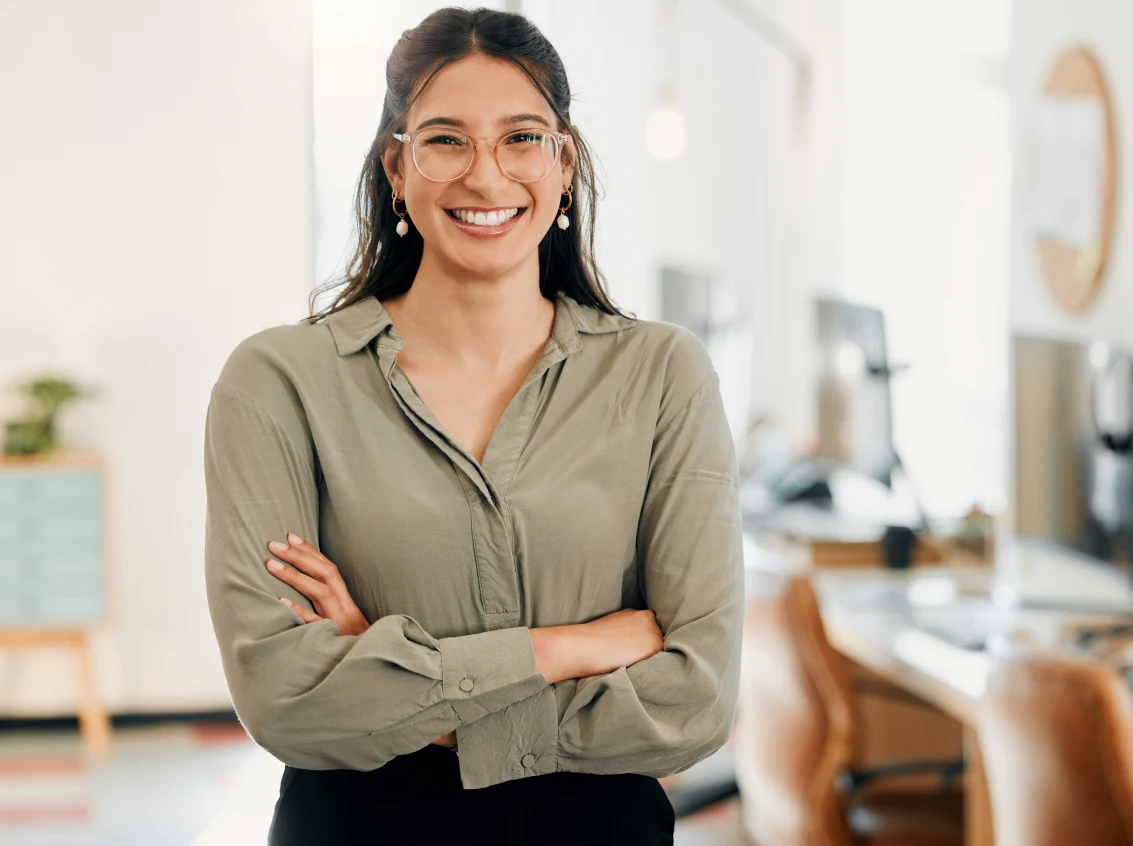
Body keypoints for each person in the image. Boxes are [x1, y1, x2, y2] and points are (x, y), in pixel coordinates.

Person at [202, 7, 744, 845]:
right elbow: (287, 703)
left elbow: (696, 702)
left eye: (521, 138)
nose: (487, 178)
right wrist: (569, 646)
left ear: (563, 163)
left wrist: (397, 674)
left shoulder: (662, 374)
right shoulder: (280, 383)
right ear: (397, 165)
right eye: (446, 140)